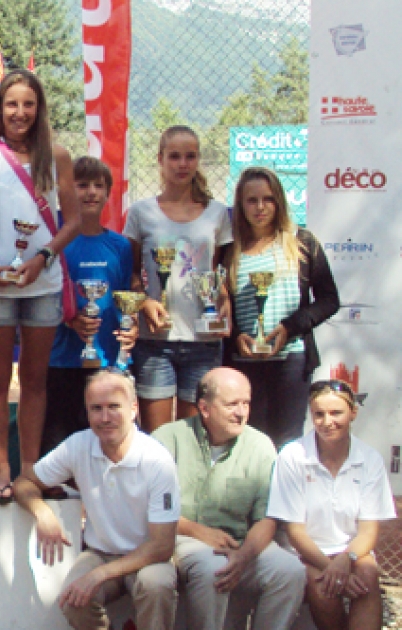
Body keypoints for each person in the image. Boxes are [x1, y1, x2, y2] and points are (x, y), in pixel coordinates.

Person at [0, 68, 80, 504]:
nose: (20, 113)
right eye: (12, 104)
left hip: (42, 284)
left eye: (28, 104)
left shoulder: (59, 157)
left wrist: (42, 258)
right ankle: (0, 471)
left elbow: (71, 221)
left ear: (40, 109)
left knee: (34, 381)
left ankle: (29, 469)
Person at [15, 370, 179, 630]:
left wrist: (99, 575)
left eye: (114, 407)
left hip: (147, 556)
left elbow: (162, 546)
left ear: (134, 408)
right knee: (73, 598)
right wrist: (43, 513)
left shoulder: (157, 460)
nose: (105, 418)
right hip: (100, 553)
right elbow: (24, 483)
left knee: (156, 585)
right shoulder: (79, 445)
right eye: (96, 409)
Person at [152, 367, 305, 630]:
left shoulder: (260, 445)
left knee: (290, 571)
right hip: (180, 537)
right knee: (214, 569)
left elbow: (267, 517)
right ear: (204, 407)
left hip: (240, 544)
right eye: (232, 404)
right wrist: (198, 530)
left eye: (246, 403)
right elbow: (147, 507)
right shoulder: (167, 439)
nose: (242, 412)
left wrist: (244, 556)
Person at [123, 125, 233, 432]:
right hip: (155, 340)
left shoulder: (217, 213)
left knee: (193, 437)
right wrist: (144, 301)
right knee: (156, 438)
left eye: (190, 156)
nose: (182, 164)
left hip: (203, 340)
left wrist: (224, 305)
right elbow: (130, 272)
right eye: (174, 156)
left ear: (198, 160)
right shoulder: (141, 212)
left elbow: (220, 274)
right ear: (160, 159)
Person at [224, 166, 339, 448]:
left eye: (268, 199)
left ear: (279, 201)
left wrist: (290, 328)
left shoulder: (302, 242)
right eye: (251, 200)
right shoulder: (230, 249)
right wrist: (236, 335)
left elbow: (329, 300)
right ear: (240, 204)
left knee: (288, 442)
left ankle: (287, 492)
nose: (260, 207)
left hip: (292, 360)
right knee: (252, 443)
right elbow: (220, 307)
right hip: (244, 364)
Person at [267, 380, 396, 630]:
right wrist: (332, 568)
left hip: (352, 552)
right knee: (323, 585)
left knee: (368, 576)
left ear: (353, 413)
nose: (327, 422)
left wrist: (345, 560)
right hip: (305, 554)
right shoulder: (292, 456)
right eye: (319, 414)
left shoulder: (369, 459)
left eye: (336, 413)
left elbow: (368, 531)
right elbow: (295, 532)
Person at [42, 156, 136, 458]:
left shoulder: (120, 246)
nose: (91, 193)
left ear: (109, 193)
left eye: (99, 186)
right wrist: (70, 320)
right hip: (63, 358)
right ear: (66, 192)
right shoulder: (54, 242)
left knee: (106, 443)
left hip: (108, 360)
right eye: (82, 186)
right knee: (60, 441)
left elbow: (125, 298)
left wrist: (130, 327)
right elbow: (43, 296)